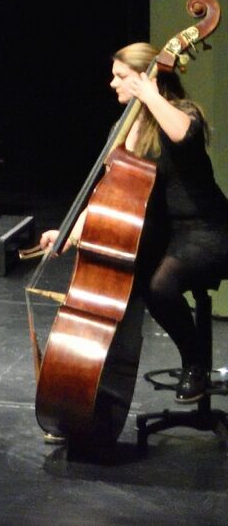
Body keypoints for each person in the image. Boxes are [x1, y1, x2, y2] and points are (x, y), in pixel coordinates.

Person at [37, 38, 228, 408]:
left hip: (210, 230)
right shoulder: (124, 130)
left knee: (161, 285)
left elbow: (184, 136)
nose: (113, 84)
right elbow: (107, 194)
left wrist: (150, 93)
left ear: (143, 79)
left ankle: (195, 365)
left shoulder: (180, 113)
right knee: (131, 281)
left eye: (121, 76)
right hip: (170, 235)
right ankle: (85, 390)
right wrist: (69, 235)